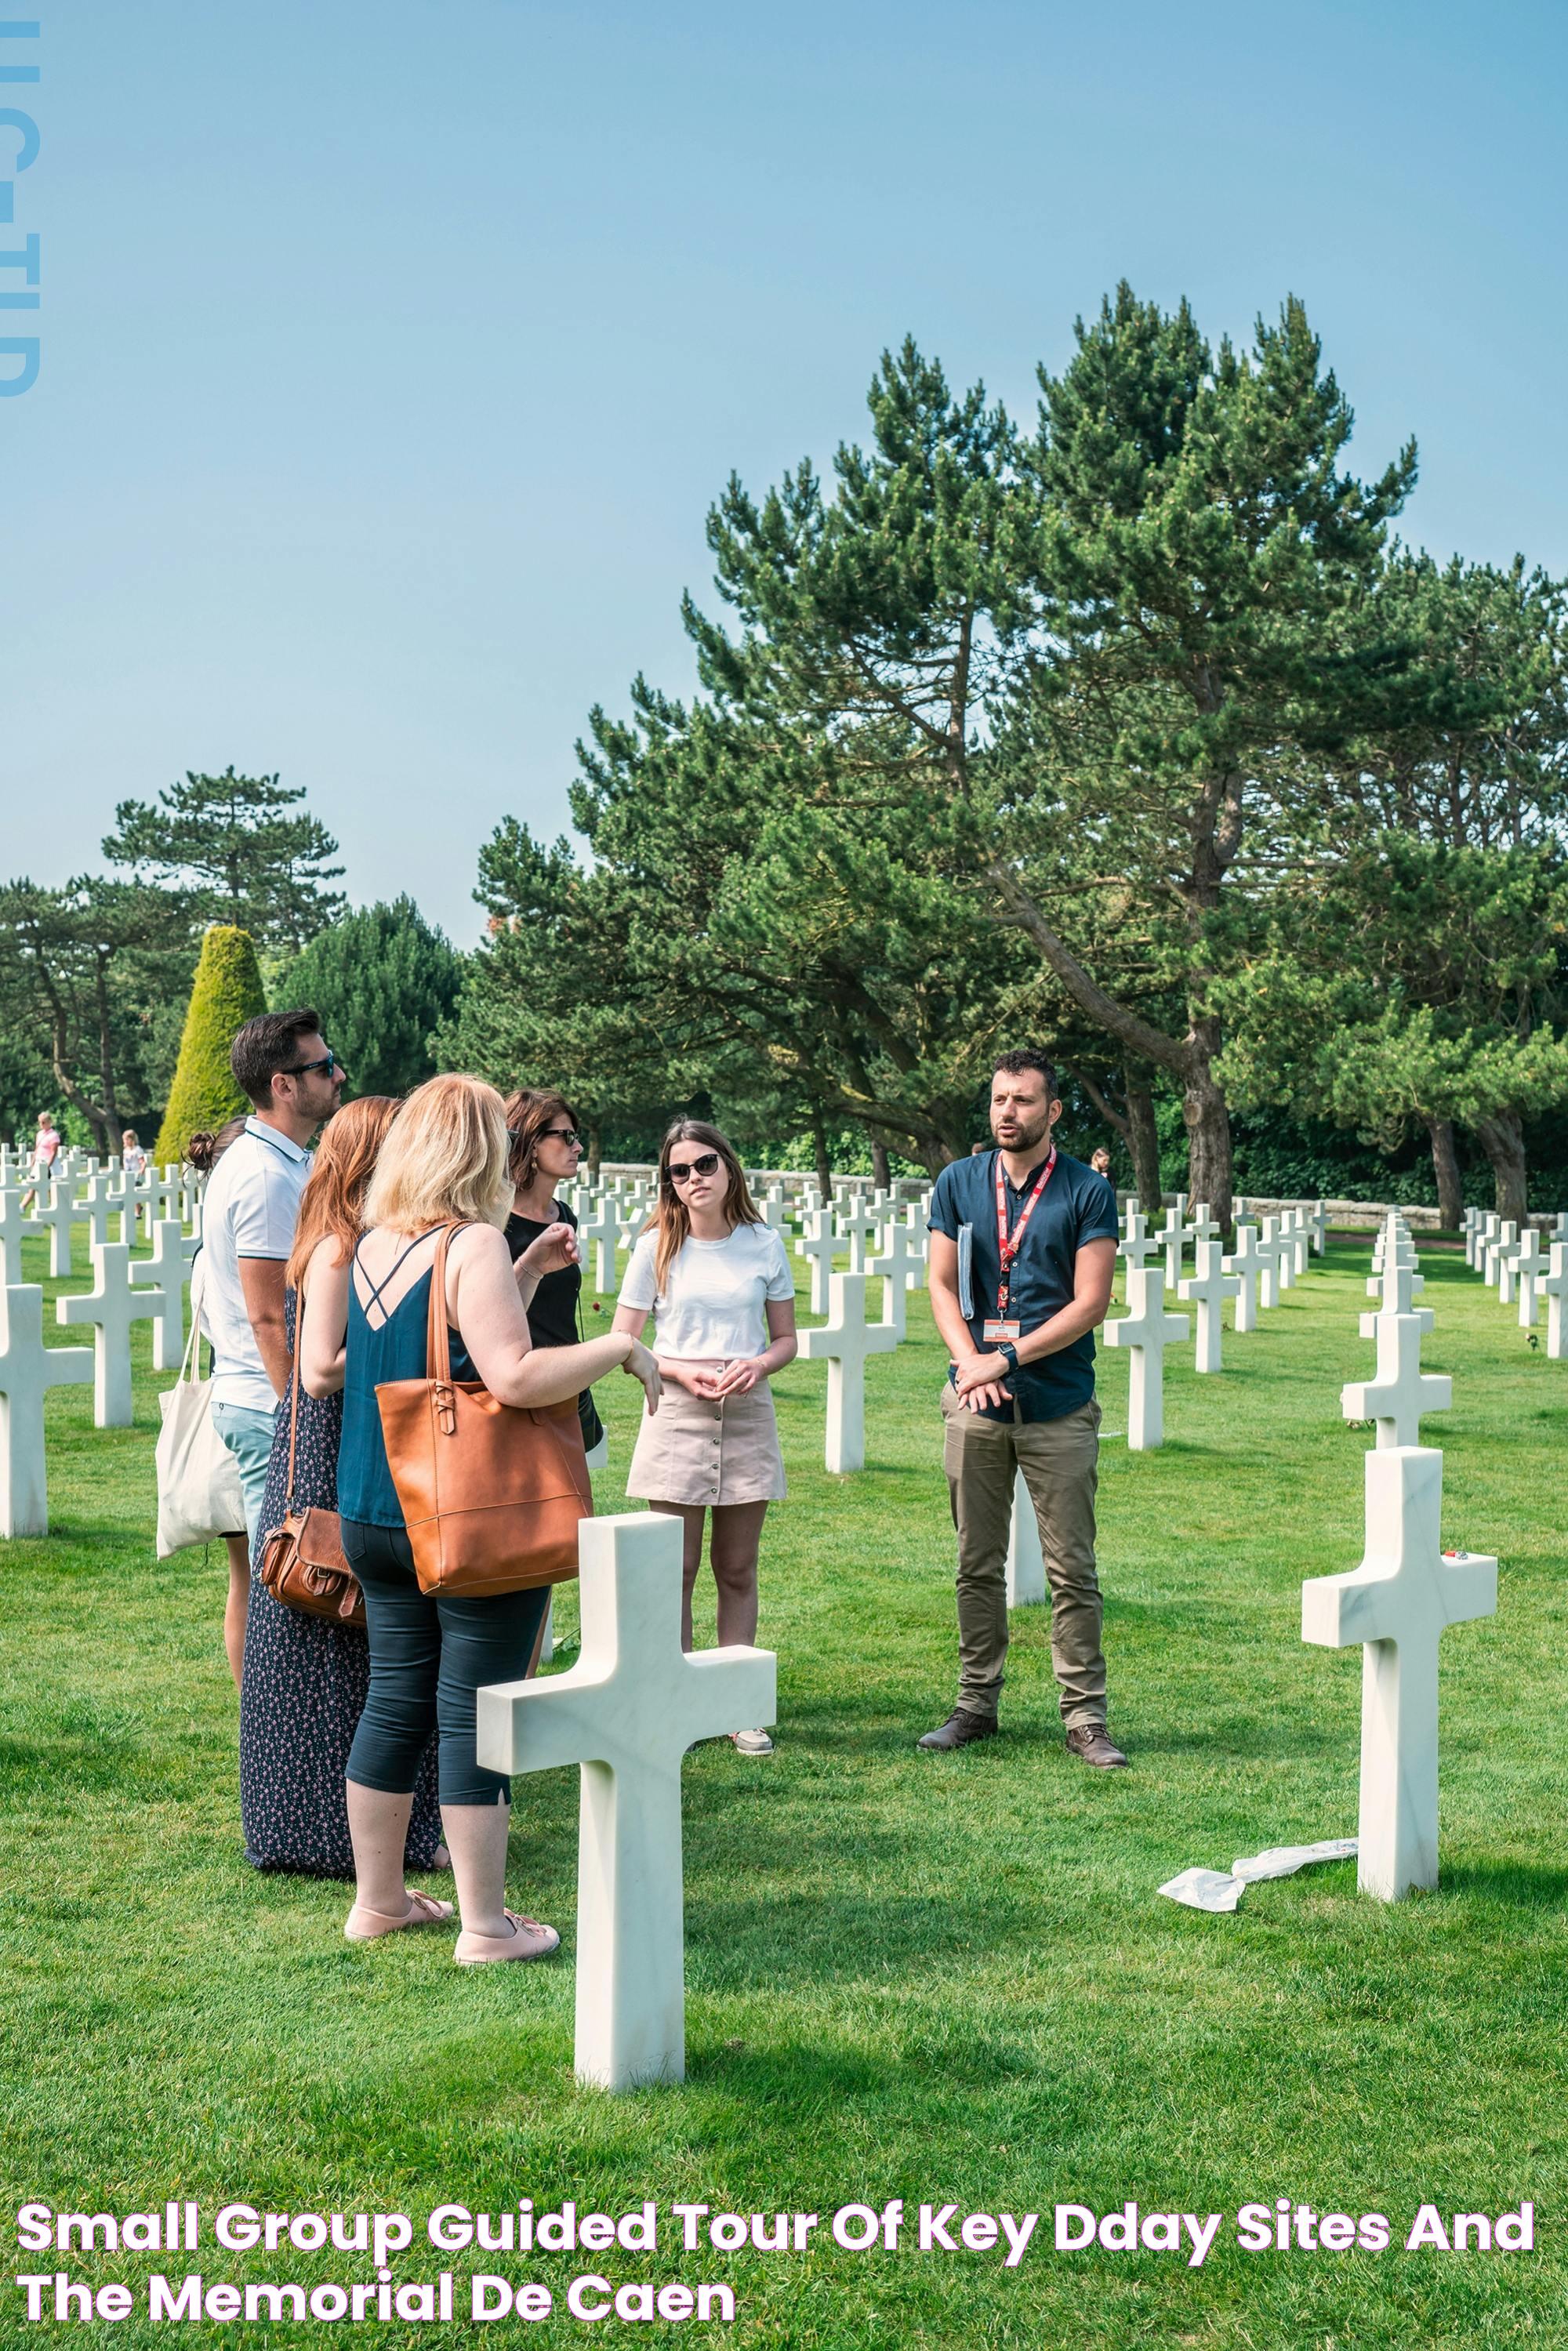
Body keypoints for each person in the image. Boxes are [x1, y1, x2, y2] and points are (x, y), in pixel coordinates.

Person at [300, 1073, 661, 1961]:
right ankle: (486, 1923)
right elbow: (513, 1376)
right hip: (463, 1510)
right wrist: (618, 1346)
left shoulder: (376, 1238)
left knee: (394, 1699)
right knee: (472, 1712)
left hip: (374, 1506)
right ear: (477, 1150)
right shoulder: (468, 1243)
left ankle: (378, 1900)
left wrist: (523, 1265)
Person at [241, 1094, 444, 1879]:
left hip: (362, 1434)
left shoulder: (380, 1239)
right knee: (325, 1627)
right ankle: (312, 1830)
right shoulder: (335, 1244)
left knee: (374, 1647)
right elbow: (321, 1366)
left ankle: (390, 1825)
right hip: (328, 1446)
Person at [919, 1050, 1125, 1765]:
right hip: (976, 1403)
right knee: (977, 1561)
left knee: (1072, 1568)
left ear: (1053, 1111)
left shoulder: (1087, 1191)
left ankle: (1085, 1718)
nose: (1009, 1112)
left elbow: (1089, 1303)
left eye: (1025, 1101)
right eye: (1000, 1099)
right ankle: (975, 1703)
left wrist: (1002, 1358)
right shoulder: (957, 1182)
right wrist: (968, 1367)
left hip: (1058, 1404)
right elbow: (942, 1286)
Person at [613, 1119, 797, 1755]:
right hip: (678, 1415)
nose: (694, 1179)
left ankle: (737, 1705)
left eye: (705, 1165)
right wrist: (680, 1368)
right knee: (676, 1569)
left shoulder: (764, 1244)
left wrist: (760, 1364)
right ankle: (678, 1702)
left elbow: (785, 1340)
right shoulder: (655, 1248)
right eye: (680, 1171)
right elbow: (625, 1341)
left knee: (737, 1568)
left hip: (747, 1414)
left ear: (729, 1167)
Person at [201, 1009, 346, 1561]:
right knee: (286, 1574)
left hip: (268, 1401)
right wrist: (301, 1419)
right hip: (270, 1405)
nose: (339, 1076)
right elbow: (270, 1316)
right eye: (324, 1066)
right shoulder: (264, 1174)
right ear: (283, 1085)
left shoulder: (281, 1161)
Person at [186, 1116, 254, 1683]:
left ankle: (249, 1700)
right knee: (259, 1574)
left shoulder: (204, 1248)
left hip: (225, 1398)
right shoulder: (243, 1244)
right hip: (251, 1397)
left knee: (245, 1578)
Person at [501, 1088, 605, 1457]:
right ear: (530, 1142)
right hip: (517, 1391)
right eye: (567, 1136)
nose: (577, 1147)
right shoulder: (494, 1222)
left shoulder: (565, 1215)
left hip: (567, 1385)